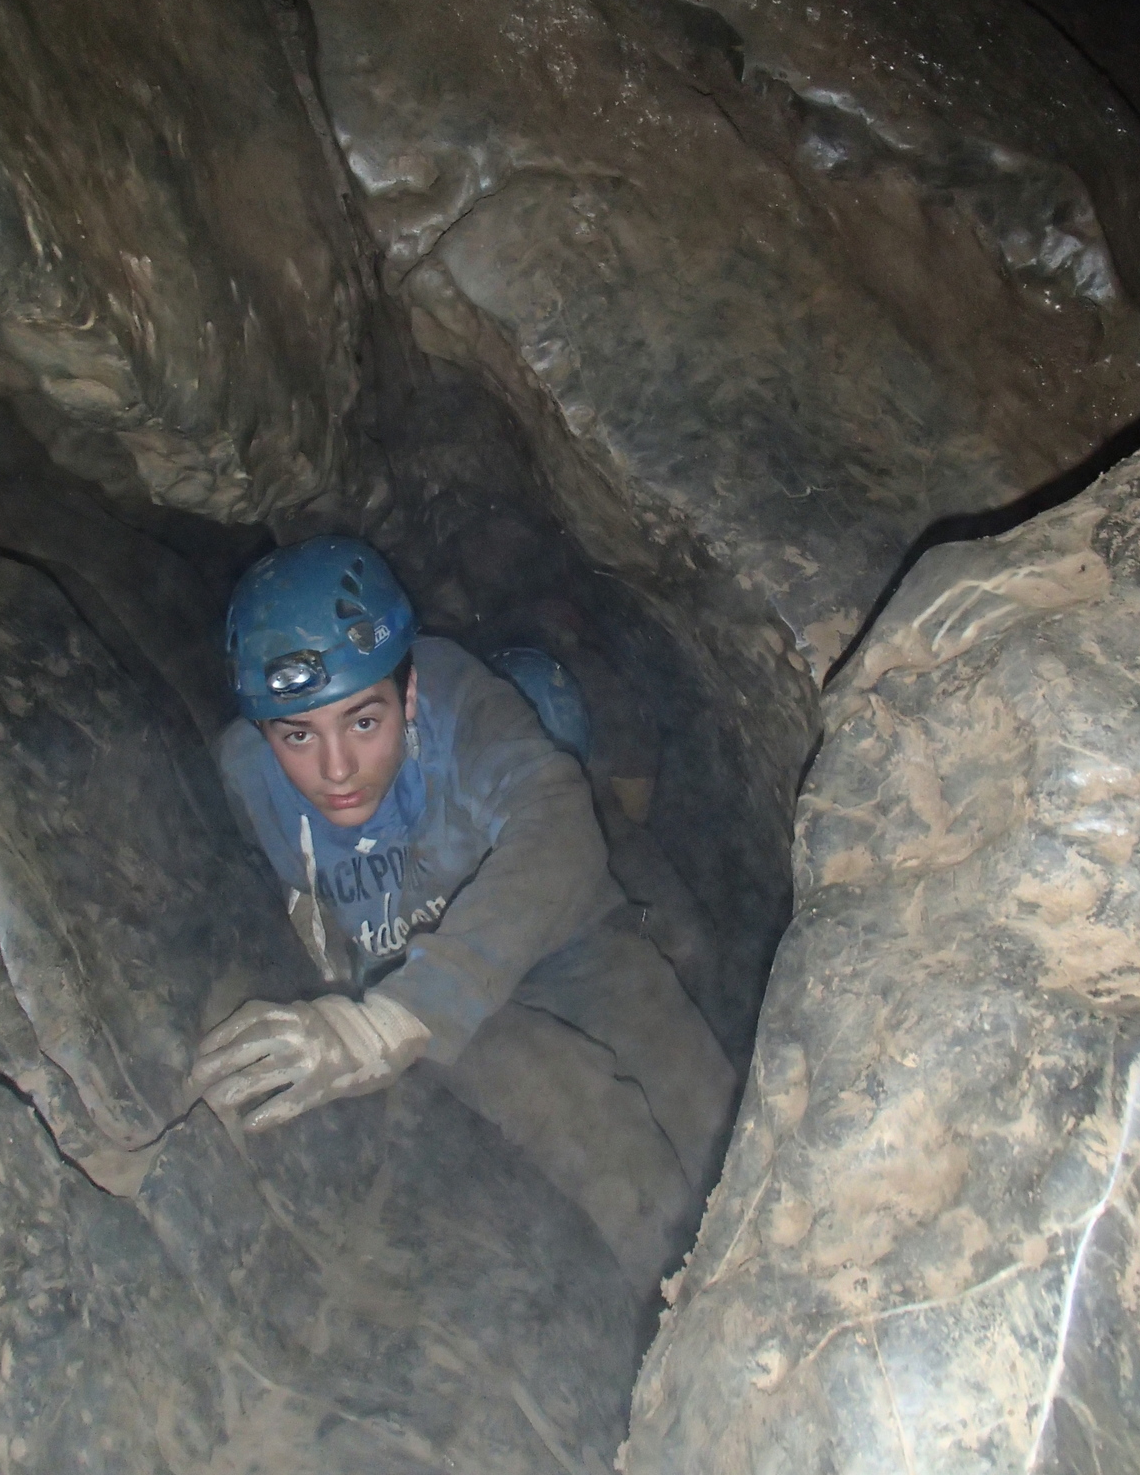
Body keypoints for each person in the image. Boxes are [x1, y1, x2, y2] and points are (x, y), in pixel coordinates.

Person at [188, 535, 736, 1296]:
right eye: (299, 735)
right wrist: (347, 1006)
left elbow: (555, 820)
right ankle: (705, 1309)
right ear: (262, 732)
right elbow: (292, 898)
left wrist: (401, 1013)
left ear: (407, 694)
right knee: (591, 1130)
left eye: (364, 722)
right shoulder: (247, 776)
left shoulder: (457, 701)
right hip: (434, 1003)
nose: (335, 769)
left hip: (559, 943)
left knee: (714, 1110)